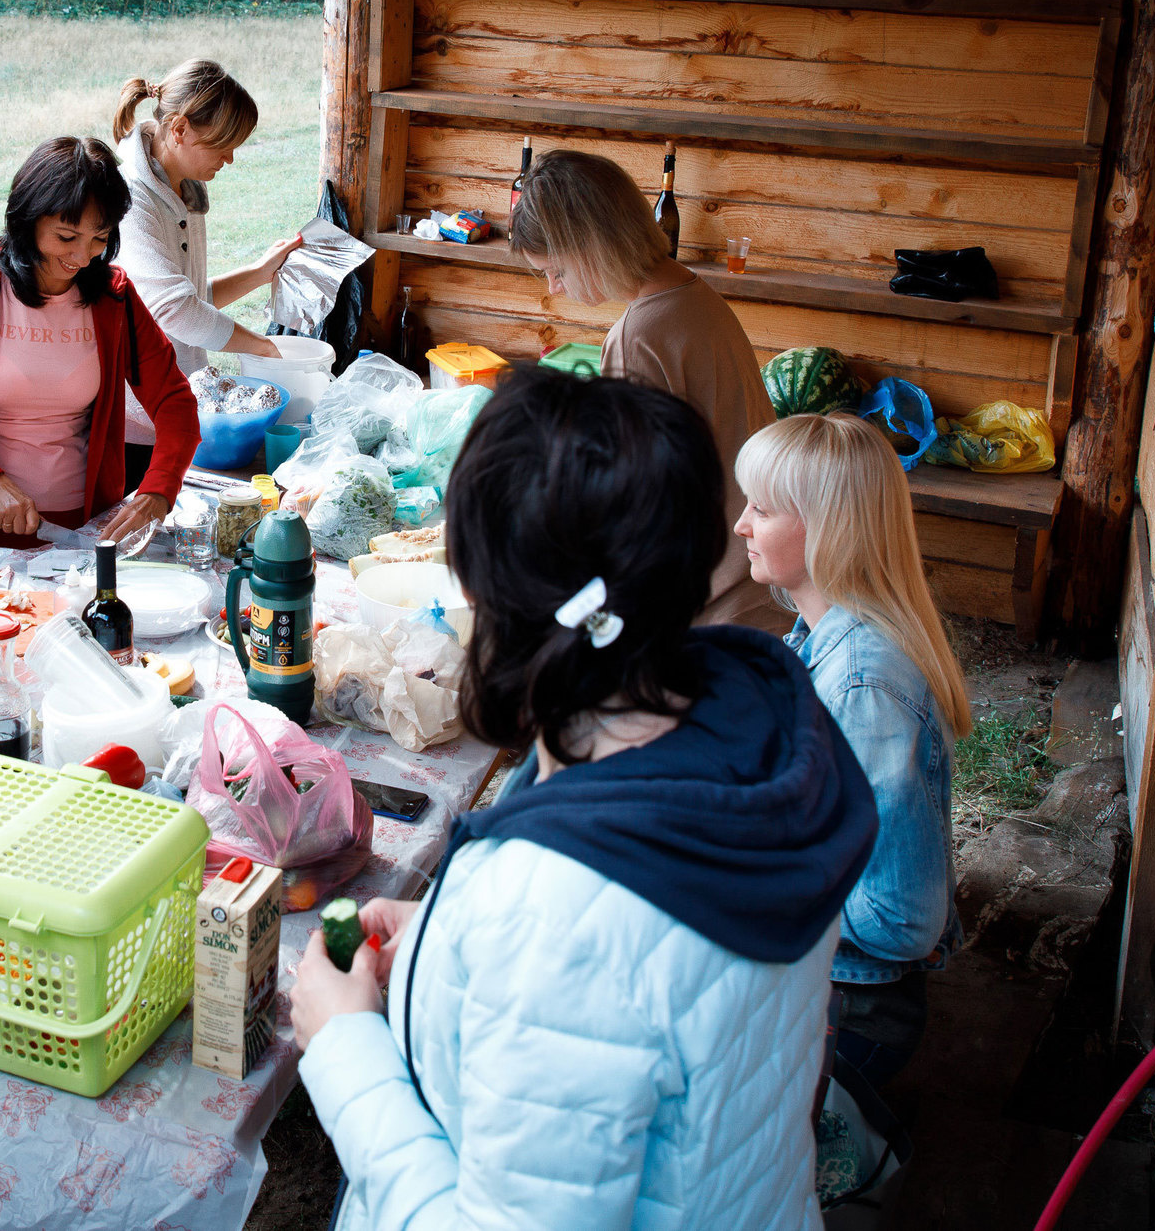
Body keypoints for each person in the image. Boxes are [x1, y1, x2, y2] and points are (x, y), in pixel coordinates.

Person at [286, 366, 875, 1231]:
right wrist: (448, 937)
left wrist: (343, 1047)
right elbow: (656, 997)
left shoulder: (550, 924)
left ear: (500, 600)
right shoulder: (767, 721)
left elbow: (578, 963)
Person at [737, 410, 974, 1092]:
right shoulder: (822, 634)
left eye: (761, 508)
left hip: (854, 1011)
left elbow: (904, 919)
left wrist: (749, 882)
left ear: (825, 526)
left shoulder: (864, 683)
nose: (741, 525)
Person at [0, 136, 201, 579]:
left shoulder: (113, 299)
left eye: (100, 238)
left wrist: (157, 492)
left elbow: (175, 404)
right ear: (27, 221)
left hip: (86, 528)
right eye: (67, 236)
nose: (81, 256)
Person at [510, 148, 788, 633]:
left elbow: (635, 502)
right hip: (758, 574)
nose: (554, 288)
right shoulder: (697, 297)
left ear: (593, 246)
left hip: (709, 600)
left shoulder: (637, 334)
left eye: (557, 271)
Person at [111, 60, 303, 487]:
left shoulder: (182, 188)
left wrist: (258, 272)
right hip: (135, 419)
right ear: (179, 129)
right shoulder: (132, 199)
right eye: (222, 145)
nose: (230, 159)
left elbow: (189, 297)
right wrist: (261, 346)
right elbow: (175, 311)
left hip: (176, 408)